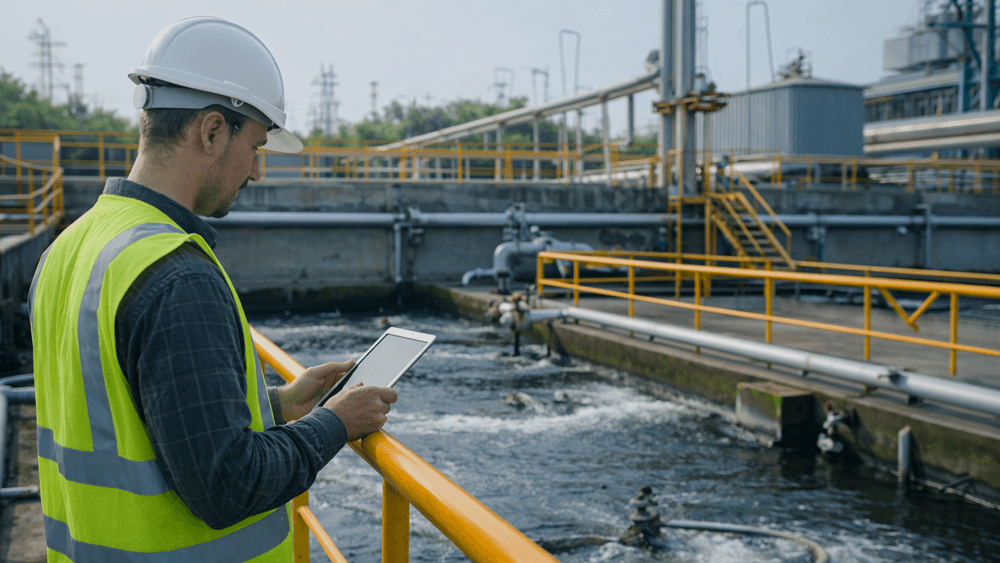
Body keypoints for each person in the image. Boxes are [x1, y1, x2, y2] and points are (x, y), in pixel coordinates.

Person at [28, 16, 397, 562]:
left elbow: (131, 416)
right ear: (211, 131)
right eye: (256, 146)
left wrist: (277, 405)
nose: (255, 172)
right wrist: (334, 425)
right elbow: (228, 484)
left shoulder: (68, 246)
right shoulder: (177, 276)